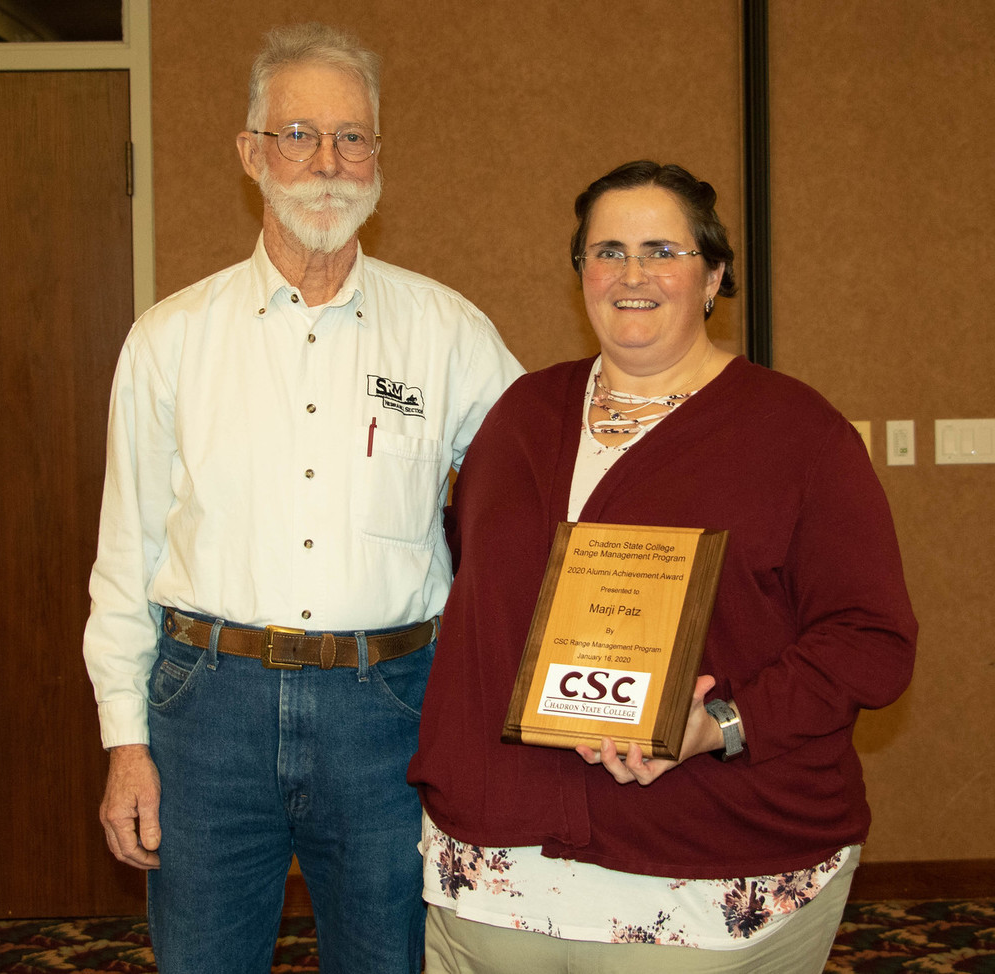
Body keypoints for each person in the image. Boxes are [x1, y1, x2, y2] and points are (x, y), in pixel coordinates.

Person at [82, 22, 522, 974]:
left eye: (353, 136)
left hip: (390, 710)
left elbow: (535, 502)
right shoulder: (169, 340)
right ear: (251, 153)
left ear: (378, 155)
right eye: (298, 134)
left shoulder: (449, 333)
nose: (329, 161)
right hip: (206, 712)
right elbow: (125, 557)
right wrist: (127, 741)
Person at [407, 160, 917, 973]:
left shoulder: (800, 435)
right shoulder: (519, 418)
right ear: (581, 274)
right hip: (500, 865)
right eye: (607, 250)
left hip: (706, 862)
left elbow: (871, 640)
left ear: (712, 274)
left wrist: (720, 726)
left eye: (662, 251)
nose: (632, 274)